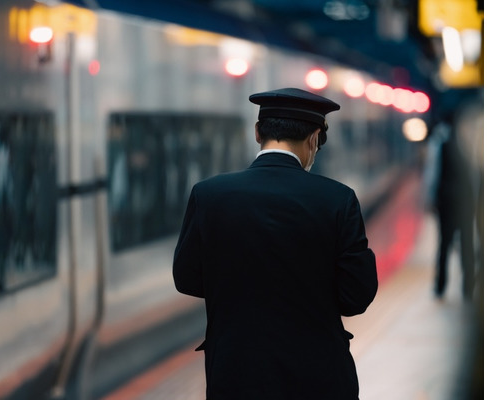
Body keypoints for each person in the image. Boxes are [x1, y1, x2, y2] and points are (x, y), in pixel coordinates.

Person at [173, 88, 377, 399]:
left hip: (235, 374)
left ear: (258, 133)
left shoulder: (209, 195)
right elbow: (356, 297)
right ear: (314, 139)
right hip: (319, 378)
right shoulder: (338, 199)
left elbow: (186, 278)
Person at [423, 119, 475, 299]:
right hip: (466, 201)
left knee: (444, 243)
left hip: (446, 202)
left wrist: (430, 199)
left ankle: (440, 285)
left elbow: (433, 173)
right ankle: (468, 285)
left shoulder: (440, 143)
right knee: (466, 243)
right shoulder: (470, 141)